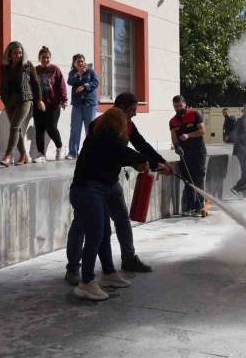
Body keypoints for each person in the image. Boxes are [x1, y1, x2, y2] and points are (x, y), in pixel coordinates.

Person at [65, 92, 173, 285]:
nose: (135, 114)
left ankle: (127, 259)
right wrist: (144, 163)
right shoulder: (101, 124)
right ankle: (73, 269)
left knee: (120, 219)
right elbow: (114, 151)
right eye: (132, 110)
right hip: (90, 184)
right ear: (121, 108)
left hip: (110, 181)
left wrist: (160, 161)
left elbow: (141, 145)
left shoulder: (128, 125)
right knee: (83, 225)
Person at [69, 107, 148, 301]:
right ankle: (86, 283)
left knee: (104, 233)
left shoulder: (101, 138)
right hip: (87, 191)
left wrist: (146, 163)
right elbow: (128, 153)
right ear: (118, 124)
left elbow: (121, 157)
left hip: (94, 190)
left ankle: (108, 273)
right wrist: (146, 162)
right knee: (95, 236)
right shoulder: (106, 138)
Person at [0, 41, 44, 167]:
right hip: (9, 101)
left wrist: (39, 99)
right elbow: (3, 84)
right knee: (17, 129)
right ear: (9, 54)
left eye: (20, 52)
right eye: (15, 53)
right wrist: (3, 98)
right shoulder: (4, 67)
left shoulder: (27, 65)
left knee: (14, 127)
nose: (18, 55)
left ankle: (8, 155)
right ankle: (23, 155)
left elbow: (35, 83)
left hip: (25, 100)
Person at [169, 95, 207, 216]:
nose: (178, 108)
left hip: (198, 152)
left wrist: (188, 135)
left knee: (199, 178)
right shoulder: (173, 121)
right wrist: (177, 146)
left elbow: (202, 130)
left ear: (185, 104)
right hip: (184, 154)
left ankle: (200, 205)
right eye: (176, 106)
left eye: (180, 106)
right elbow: (174, 135)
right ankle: (190, 206)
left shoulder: (195, 114)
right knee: (187, 180)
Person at [33, 46, 67, 163]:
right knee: (39, 129)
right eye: (43, 58)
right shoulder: (35, 70)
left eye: (48, 58)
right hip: (38, 104)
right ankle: (41, 154)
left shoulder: (55, 69)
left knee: (51, 128)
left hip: (53, 104)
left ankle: (60, 146)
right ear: (39, 58)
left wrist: (64, 99)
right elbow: (31, 86)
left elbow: (61, 85)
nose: (46, 60)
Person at [67, 54, 99, 159]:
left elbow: (96, 82)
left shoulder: (91, 72)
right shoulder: (73, 73)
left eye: (82, 61)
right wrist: (79, 74)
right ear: (74, 64)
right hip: (77, 104)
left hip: (90, 104)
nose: (80, 63)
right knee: (75, 129)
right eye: (78, 62)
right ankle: (73, 152)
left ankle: (91, 152)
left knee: (90, 129)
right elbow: (70, 82)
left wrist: (85, 86)